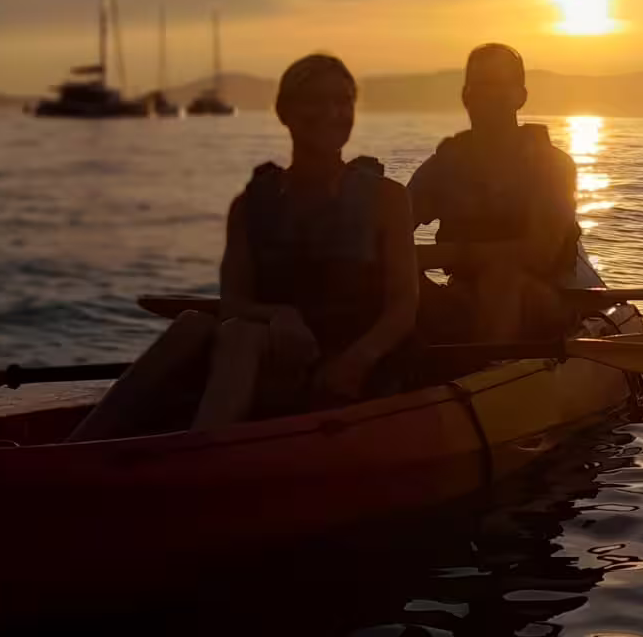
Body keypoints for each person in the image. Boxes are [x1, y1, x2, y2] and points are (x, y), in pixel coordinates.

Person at [70, 53, 420, 441]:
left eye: (342, 101)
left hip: (345, 366)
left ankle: (201, 459)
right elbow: (234, 301)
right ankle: (78, 446)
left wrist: (359, 359)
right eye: (314, 100)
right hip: (275, 357)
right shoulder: (251, 204)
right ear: (284, 112)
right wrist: (278, 314)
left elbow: (403, 306)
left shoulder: (387, 198)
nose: (331, 112)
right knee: (194, 325)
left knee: (240, 335)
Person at [408, 43, 596, 347]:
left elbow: (540, 252)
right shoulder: (444, 166)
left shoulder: (552, 165)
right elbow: (392, 229)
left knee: (501, 279)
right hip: (464, 293)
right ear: (466, 97)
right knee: (389, 272)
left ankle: (487, 369)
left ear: (520, 96)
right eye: (480, 86)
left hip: (542, 296)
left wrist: (446, 254)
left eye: (499, 85)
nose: (489, 96)